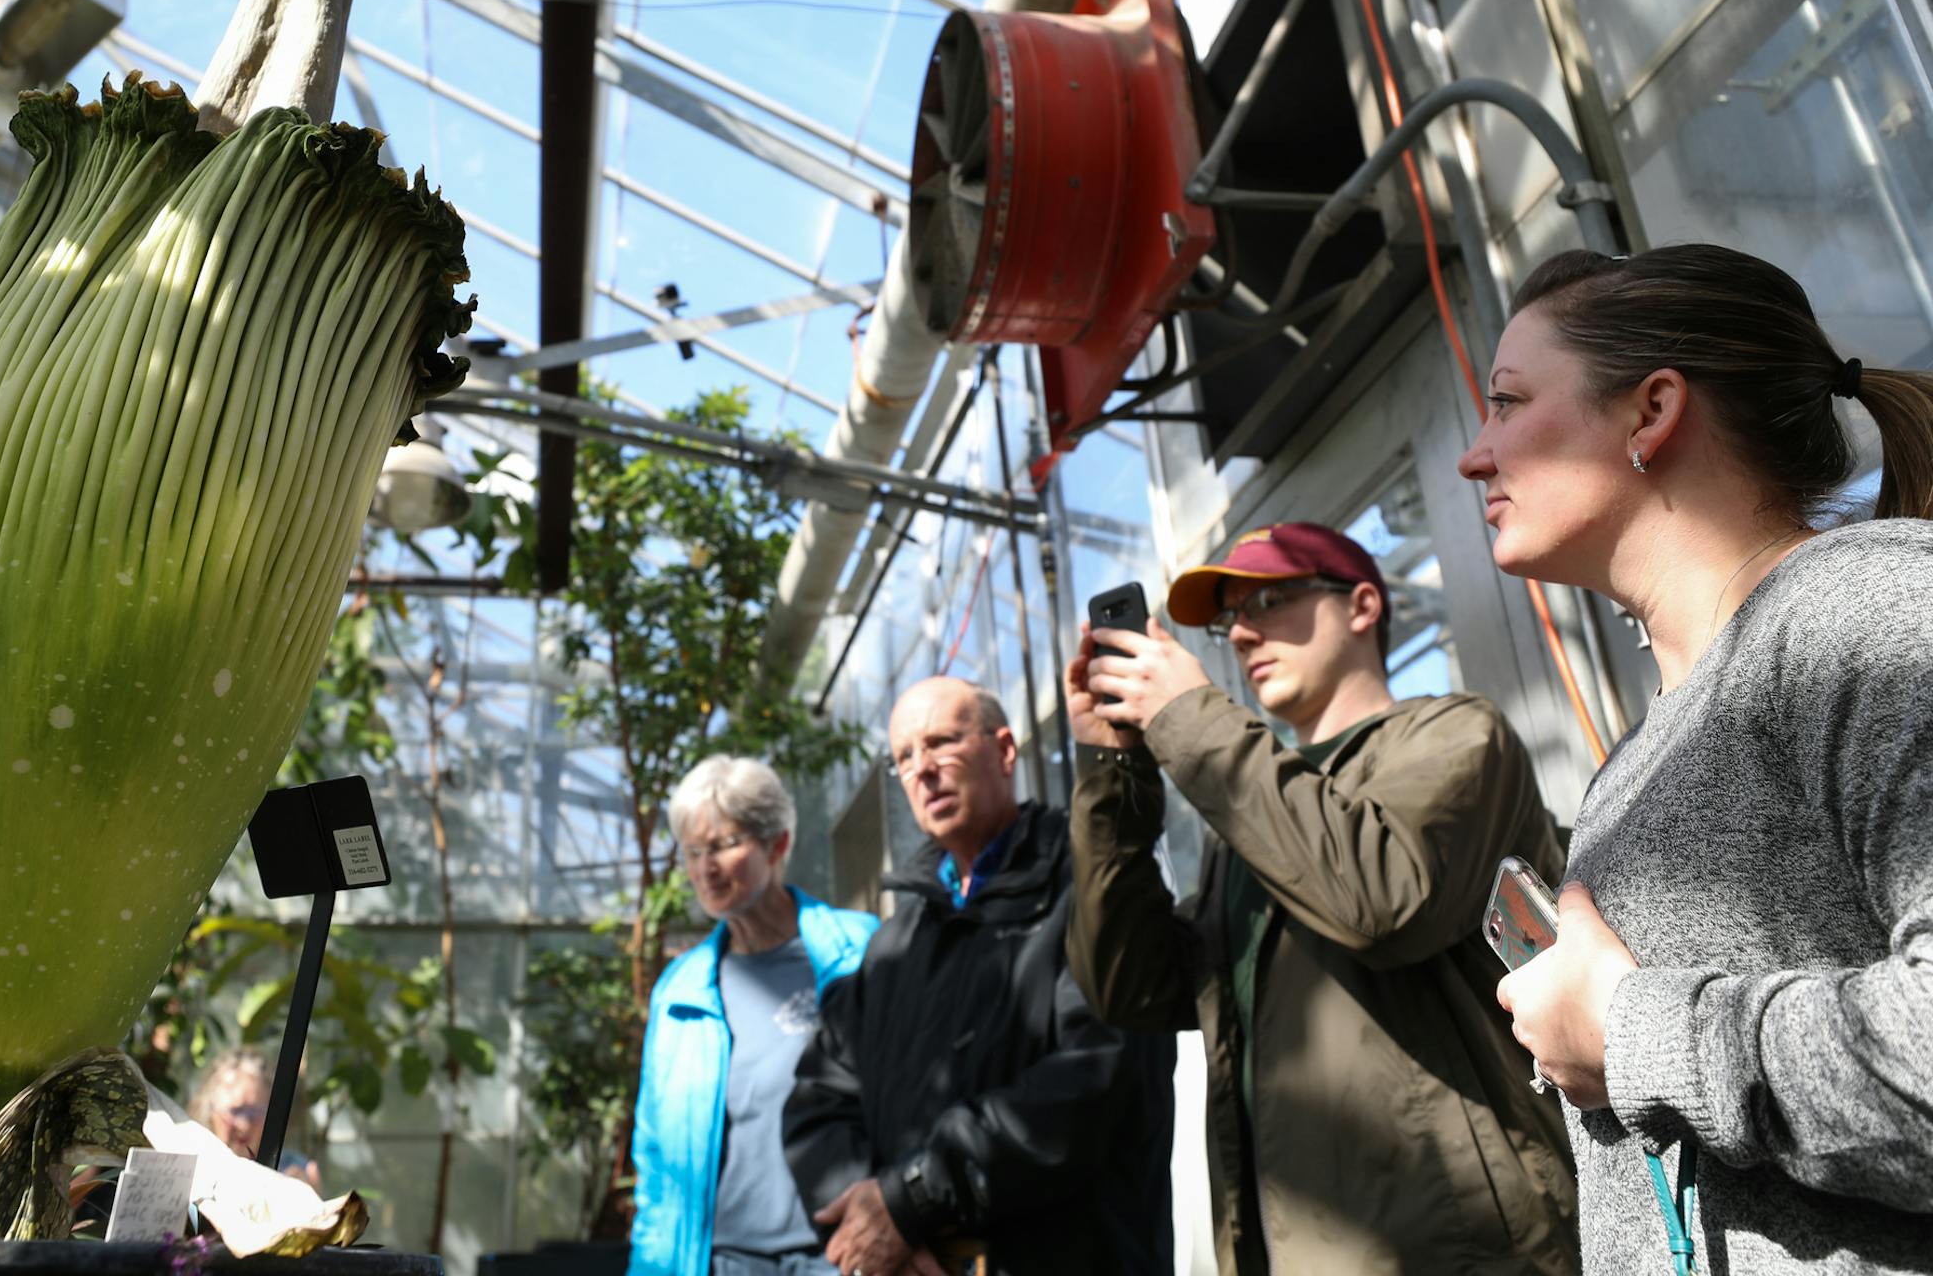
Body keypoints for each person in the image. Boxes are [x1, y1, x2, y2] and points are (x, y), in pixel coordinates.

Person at [1457, 242, 1933, 1272]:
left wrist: (1631, 1030)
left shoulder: (1869, 612)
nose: (1473, 455)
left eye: (1506, 401)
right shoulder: (1638, 752)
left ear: (1651, 411)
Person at [1066, 522, 1578, 1274]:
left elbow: (1382, 901)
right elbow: (1134, 988)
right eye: (1228, 618)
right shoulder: (1249, 814)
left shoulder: (1456, 735)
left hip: (1462, 1253)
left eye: (1269, 599)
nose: (1241, 633)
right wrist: (1114, 777)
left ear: (1362, 606)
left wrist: (1187, 716)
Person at [782, 677, 1173, 1276]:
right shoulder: (894, 945)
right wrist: (875, 1219)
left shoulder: (1087, 895)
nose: (922, 769)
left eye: (941, 742)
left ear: (1005, 750)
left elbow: (1096, 1078)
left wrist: (911, 1200)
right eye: (904, 757)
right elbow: (818, 1098)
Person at [629, 756, 878, 1276]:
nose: (705, 868)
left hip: (839, 1256)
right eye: (693, 852)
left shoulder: (862, 950)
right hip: (722, 1262)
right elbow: (657, 1165)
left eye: (722, 845)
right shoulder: (681, 991)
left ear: (778, 844)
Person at [188, 1046, 322, 1189]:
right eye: (235, 1111)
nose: (243, 1124)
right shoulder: (190, 1165)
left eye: (254, 1112)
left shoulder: (292, 1171)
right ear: (210, 1111)